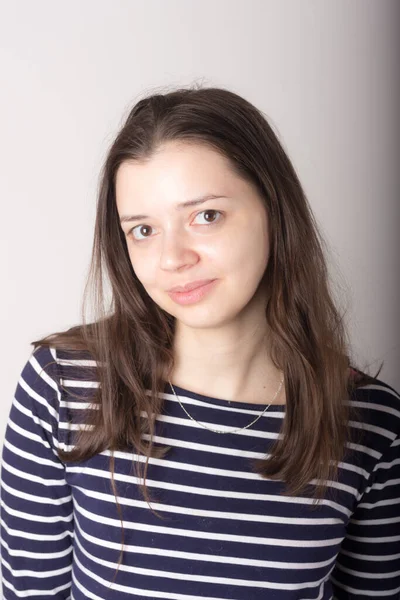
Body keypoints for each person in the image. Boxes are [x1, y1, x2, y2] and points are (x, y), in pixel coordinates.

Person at [1, 85, 399, 600]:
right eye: (143, 230)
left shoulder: (369, 425)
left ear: (274, 211)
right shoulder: (63, 385)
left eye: (205, 216)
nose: (172, 258)